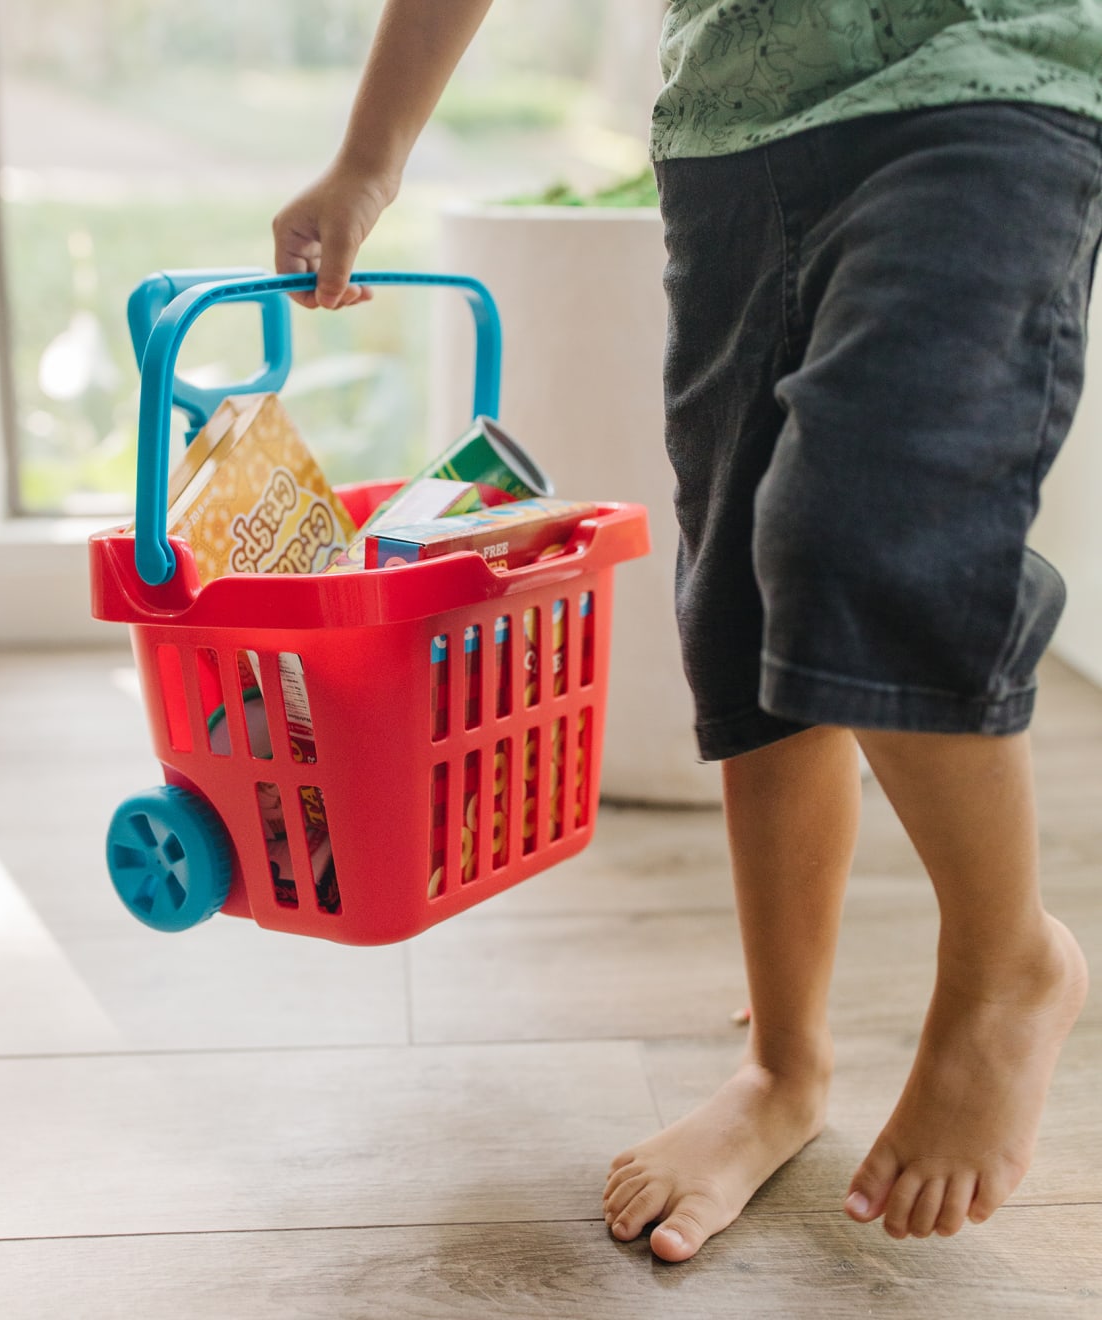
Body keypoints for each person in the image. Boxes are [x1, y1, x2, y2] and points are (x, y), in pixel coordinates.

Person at [271, 0, 1098, 1263]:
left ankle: (1005, 962)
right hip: (736, 122)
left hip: (982, 79)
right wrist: (371, 158)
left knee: (865, 530)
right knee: (739, 606)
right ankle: (782, 1067)